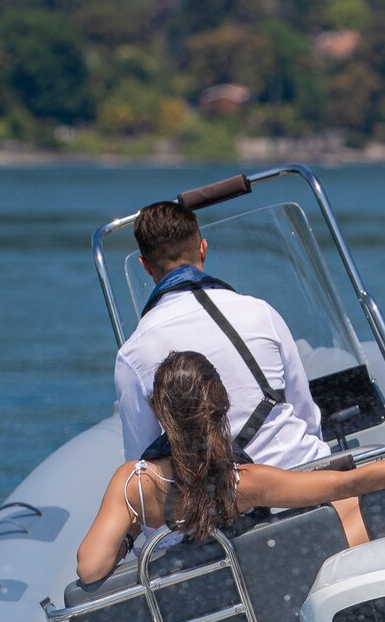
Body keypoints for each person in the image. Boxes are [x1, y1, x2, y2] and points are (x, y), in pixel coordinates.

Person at [78, 352, 385, 584]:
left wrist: (133, 531)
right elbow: (353, 481)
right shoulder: (243, 484)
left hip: (205, 592)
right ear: (222, 406)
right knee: (353, 501)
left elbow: (91, 568)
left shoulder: (133, 482)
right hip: (266, 582)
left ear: (159, 412)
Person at [115, 199, 325, 468]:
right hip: (302, 470)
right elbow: (306, 415)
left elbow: (141, 464)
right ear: (203, 249)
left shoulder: (133, 353)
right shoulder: (261, 312)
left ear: (144, 265)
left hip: (229, 500)